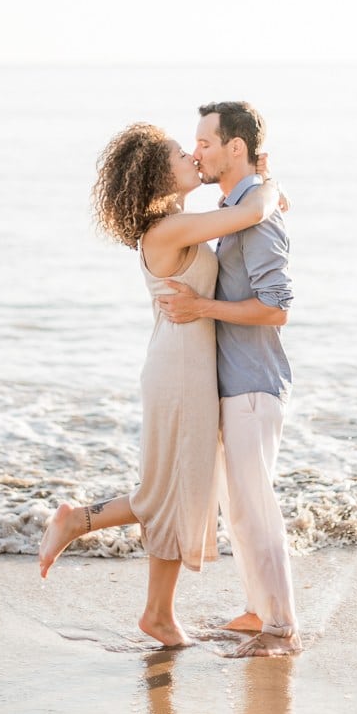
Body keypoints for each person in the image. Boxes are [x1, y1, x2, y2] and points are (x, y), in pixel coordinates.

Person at [38, 123, 280, 650]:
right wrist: (263, 177)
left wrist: (262, 194)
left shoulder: (176, 223)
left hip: (186, 368)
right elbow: (250, 213)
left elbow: (248, 220)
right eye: (178, 152)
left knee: (177, 487)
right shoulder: (166, 231)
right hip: (178, 374)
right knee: (168, 488)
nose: (192, 155)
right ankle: (78, 526)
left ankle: (157, 613)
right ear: (157, 174)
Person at [157, 100, 301, 658]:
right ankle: (257, 607)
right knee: (239, 508)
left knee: (255, 505)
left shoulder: (259, 216)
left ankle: (281, 625)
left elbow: (277, 308)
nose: (197, 152)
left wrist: (201, 309)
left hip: (254, 384)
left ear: (235, 148)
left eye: (206, 144)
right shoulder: (241, 205)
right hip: (233, 385)